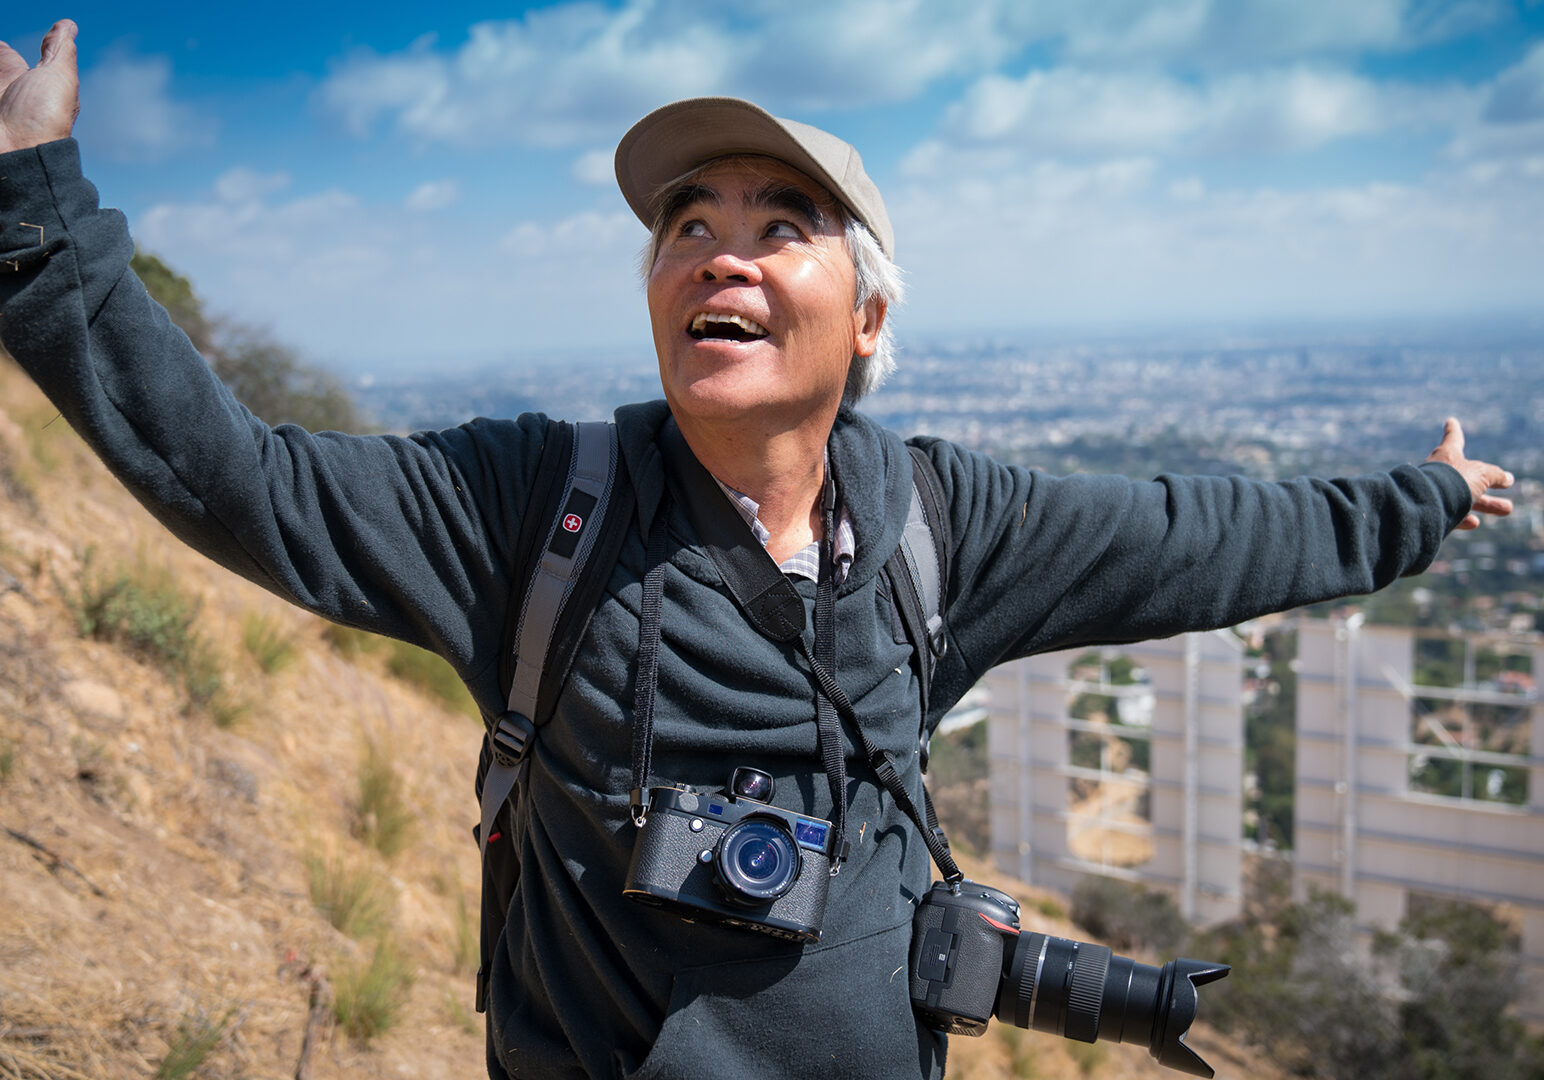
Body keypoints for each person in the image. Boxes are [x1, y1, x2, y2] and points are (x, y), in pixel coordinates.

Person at [0, 19, 1515, 1080]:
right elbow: (237, 477)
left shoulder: (942, 527)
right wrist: (37, 211)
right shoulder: (536, 510)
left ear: (867, 320)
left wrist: (1421, 500)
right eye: (685, 223)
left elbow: (1209, 537)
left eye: (780, 221)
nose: (718, 248)